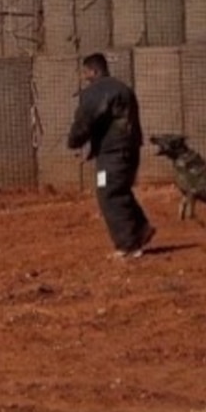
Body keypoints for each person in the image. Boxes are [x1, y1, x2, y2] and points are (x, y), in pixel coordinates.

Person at [66, 53, 156, 259]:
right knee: (118, 190)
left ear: (94, 71)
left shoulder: (97, 91)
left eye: (86, 72)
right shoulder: (123, 88)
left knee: (108, 193)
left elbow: (85, 120)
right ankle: (141, 229)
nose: (85, 77)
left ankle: (128, 245)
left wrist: (74, 141)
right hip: (129, 150)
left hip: (112, 154)